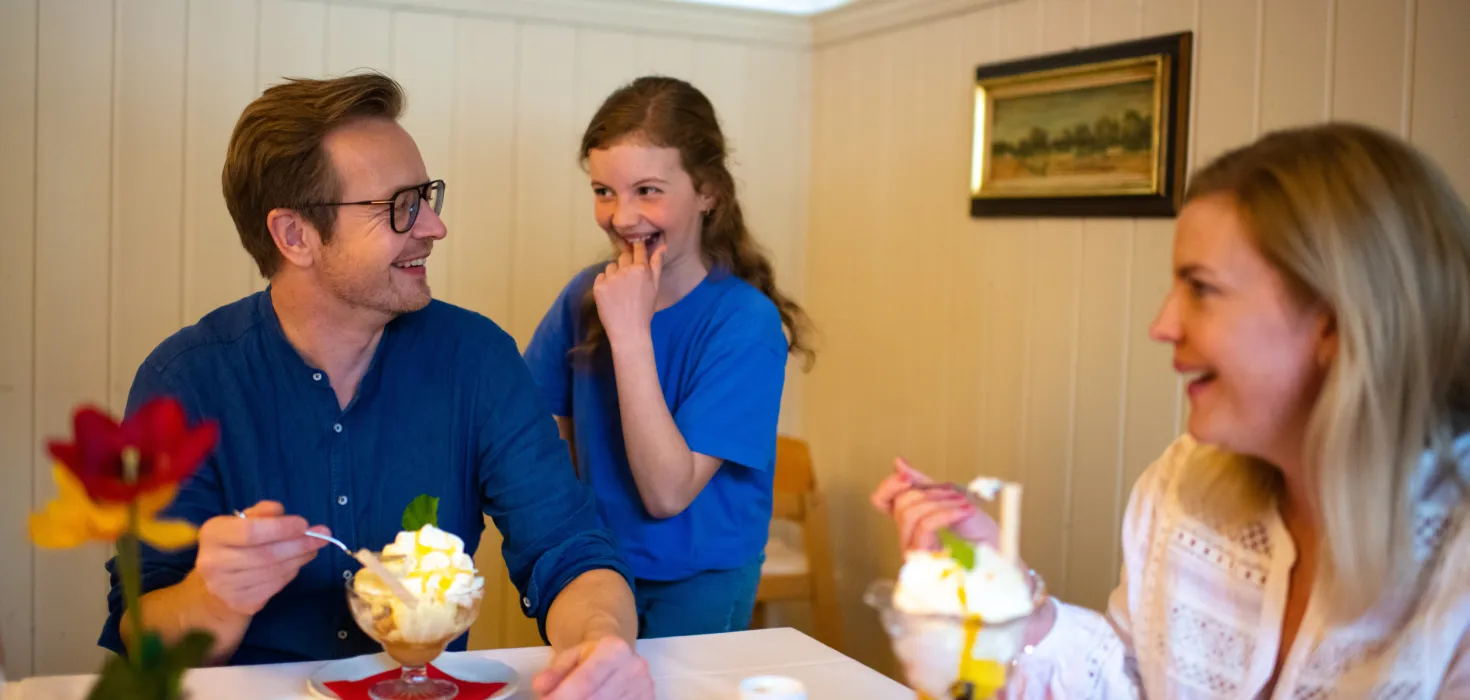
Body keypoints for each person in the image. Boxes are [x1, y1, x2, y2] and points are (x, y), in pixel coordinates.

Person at [98, 72, 652, 699]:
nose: (434, 228)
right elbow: (141, 634)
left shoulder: (477, 360)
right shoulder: (185, 383)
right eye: (400, 207)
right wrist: (213, 596)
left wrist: (601, 641)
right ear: (294, 235)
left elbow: (570, 550)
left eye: (428, 197)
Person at [872, 123, 1470, 697]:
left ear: (1335, 320)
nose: (1163, 325)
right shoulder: (1184, 489)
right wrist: (998, 587)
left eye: (1201, 288)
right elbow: (1130, 683)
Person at [522, 76, 814, 639]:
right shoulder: (585, 294)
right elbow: (537, 436)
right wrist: (563, 543)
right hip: (593, 572)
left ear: (708, 192)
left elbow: (666, 493)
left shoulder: (744, 323)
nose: (622, 216)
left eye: (648, 190)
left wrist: (631, 336)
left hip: (698, 582)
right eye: (603, 190)